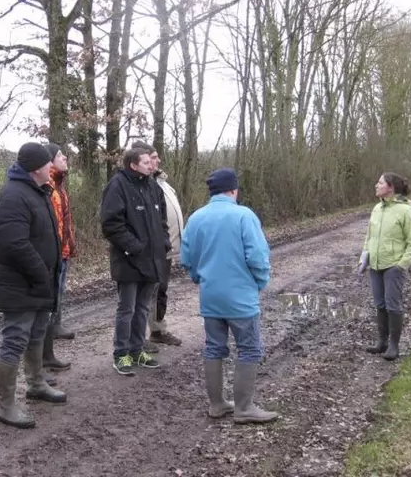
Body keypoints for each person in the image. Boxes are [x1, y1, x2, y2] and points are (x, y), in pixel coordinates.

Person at [180, 168, 278, 424]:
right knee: (249, 349)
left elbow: (186, 258)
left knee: (214, 348)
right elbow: (257, 256)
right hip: (241, 297)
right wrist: (261, 281)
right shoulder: (244, 216)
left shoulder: (196, 218)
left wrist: (199, 278)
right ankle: (244, 408)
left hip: (210, 296)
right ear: (233, 190)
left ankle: (217, 404)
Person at [0, 142, 66, 430]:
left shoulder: (39, 190)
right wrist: (40, 274)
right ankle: (5, 405)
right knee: (15, 339)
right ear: (36, 168)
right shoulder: (13, 196)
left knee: (37, 333)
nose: (53, 166)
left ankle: (36, 383)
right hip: (19, 283)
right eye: (49, 162)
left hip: (39, 280)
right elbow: (15, 245)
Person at [101, 147, 169, 376]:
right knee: (127, 308)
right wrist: (134, 247)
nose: (152, 165)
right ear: (133, 165)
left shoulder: (152, 186)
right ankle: (121, 354)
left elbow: (162, 221)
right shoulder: (118, 186)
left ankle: (137, 349)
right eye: (147, 162)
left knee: (142, 308)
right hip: (128, 260)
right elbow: (111, 224)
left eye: (152, 162)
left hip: (152, 260)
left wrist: (164, 244)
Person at [358, 172, 411, 361]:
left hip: (394, 267)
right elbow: (370, 237)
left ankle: (394, 346)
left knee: (393, 305)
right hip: (375, 266)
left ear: (391, 187)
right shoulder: (377, 209)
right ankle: (381, 342)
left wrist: (401, 265)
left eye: (380, 183)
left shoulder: (405, 211)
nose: (376, 185)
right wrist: (364, 258)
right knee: (380, 304)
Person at [131, 141, 184, 349]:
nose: (157, 161)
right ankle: (137, 338)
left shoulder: (161, 182)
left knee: (160, 291)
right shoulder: (138, 185)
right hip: (150, 250)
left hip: (166, 248)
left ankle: (158, 330)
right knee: (145, 295)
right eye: (153, 157)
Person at [41, 143, 74, 379]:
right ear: (50, 162)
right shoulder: (48, 188)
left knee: (58, 298)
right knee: (49, 303)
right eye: (61, 156)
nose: (65, 159)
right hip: (53, 254)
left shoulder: (59, 185)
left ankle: (49, 349)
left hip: (61, 252)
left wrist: (68, 246)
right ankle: (44, 357)